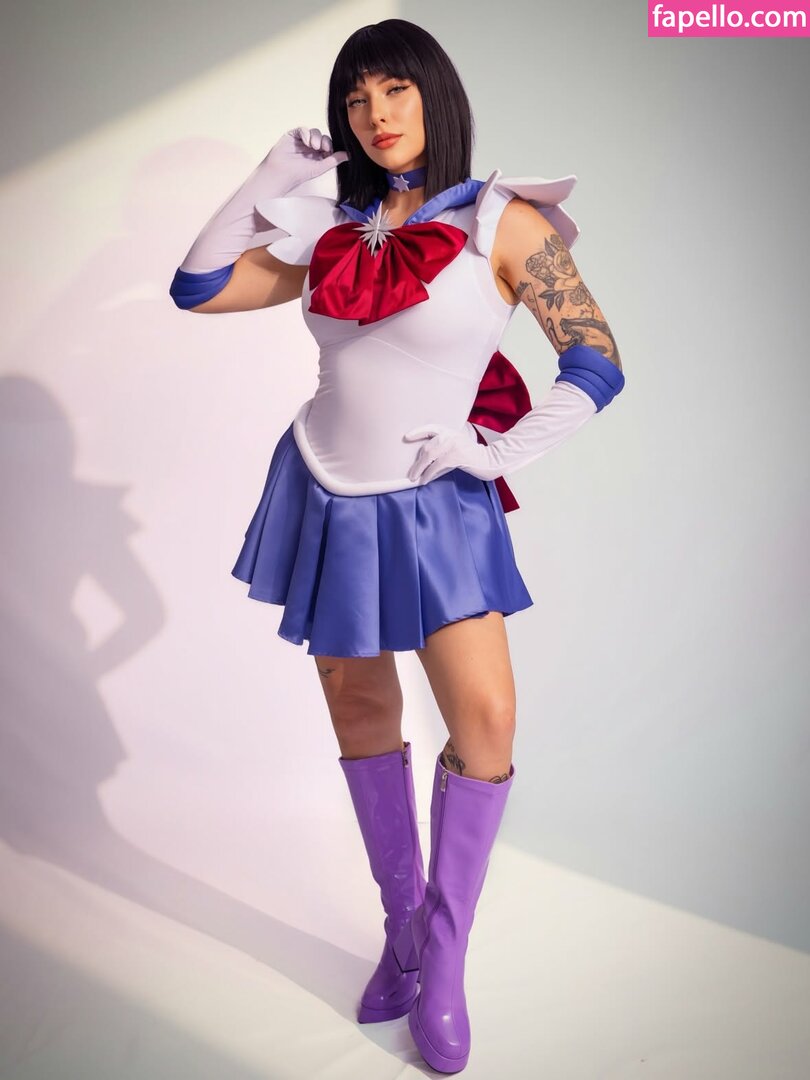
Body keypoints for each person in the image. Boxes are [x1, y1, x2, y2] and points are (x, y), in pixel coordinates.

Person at [169, 18, 624, 1074]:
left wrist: (495, 448)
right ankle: (402, 931)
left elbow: (598, 358)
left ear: (435, 96)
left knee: (487, 721)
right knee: (361, 707)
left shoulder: (503, 221)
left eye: (396, 90)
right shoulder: (330, 228)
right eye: (357, 95)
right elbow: (197, 288)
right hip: (325, 490)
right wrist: (266, 177)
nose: (376, 113)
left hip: (436, 499)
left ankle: (445, 958)